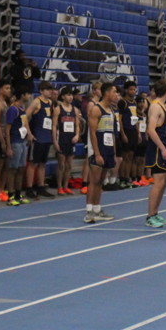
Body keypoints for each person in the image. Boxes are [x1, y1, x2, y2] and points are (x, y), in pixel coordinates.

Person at [84, 82, 119, 224]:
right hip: (98, 148)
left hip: (108, 148)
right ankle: (89, 212)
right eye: (114, 92)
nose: (116, 95)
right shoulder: (96, 109)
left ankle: (97, 209)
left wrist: (113, 153)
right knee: (94, 180)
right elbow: (92, 133)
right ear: (106, 93)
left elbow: (112, 133)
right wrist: (97, 153)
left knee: (101, 181)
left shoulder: (111, 110)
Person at [144, 79, 166, 228]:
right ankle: (150, 216)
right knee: (158, 182)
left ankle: (155, 213)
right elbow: (151, 130)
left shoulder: (162, 106)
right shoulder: (155, 107)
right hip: (157, 149)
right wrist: (162, 148)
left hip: (164, 146)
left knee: (165, 181)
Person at [25, 81, 57, 199]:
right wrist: (29, 133)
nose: (50, 92)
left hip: (46, 137)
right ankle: (29, 188)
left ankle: (41, 187)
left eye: (50, 89)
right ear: (41, 91)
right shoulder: (36, 102)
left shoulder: (50, 102)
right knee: (33, 163)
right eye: (47, 90)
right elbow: (24, 116)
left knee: (43, 164)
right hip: (37, 137)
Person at [5, 86, 33, 206]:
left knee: (21, 169)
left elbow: (25, 123)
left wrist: (29, 134)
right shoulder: (13, 109)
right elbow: (7, 129)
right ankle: (10, 195)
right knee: (13, 169)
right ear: (22, 95)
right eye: (28, 94)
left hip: (22, 141)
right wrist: (8, 146)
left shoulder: (22, 108)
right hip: (15, 141)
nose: (30, 96)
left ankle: (18, 194)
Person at [53, 86, 81, 195]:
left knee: (69, 164)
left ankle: (66, 186)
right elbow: (54, 126)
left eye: (71, 95)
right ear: (63, 96)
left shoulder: (75, 110)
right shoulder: (58, 109)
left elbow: (77, 125)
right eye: (68, 95)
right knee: (61, 164)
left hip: (71, 139)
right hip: (61, 139)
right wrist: (55, 141)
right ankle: (59, 187)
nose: (70, 97)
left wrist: (77, 135)